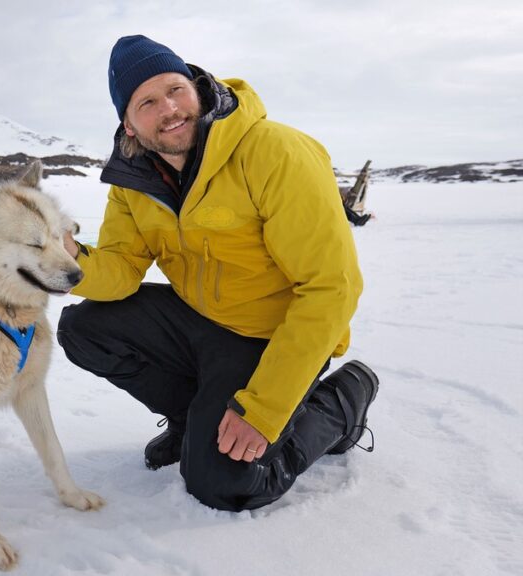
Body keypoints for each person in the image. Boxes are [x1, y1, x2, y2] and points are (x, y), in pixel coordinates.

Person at [56, 35, 380, 512]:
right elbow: (121, 270)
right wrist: (69, 258)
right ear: (128, 121)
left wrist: (265, 412)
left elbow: (331, 288)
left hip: (273, 338)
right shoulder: (134, 178)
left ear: (197, 87)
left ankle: (344, 400)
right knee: (84, 328)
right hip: (203, 324)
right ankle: (194, 418)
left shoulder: (275, 152)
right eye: (147, 101)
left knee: (226, 484)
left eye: (175, 89)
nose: (169, 108)